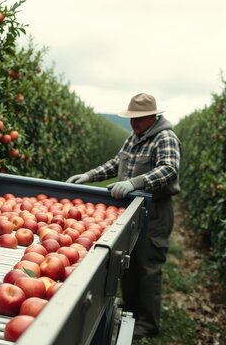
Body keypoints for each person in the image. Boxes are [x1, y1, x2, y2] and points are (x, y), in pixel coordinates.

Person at [66, 93, 181, 339]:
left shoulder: (165, 137)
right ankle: (130, 311)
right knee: (128, 262)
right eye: (131, 118)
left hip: (156, 211)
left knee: (148, 266)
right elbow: (116, 162)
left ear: (153, 116)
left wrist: (134, 183)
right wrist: (89, 175)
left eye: (138, 119)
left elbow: (169, 169)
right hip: (133, 210)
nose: (133, 123)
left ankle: (148, 323)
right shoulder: (134, 137)